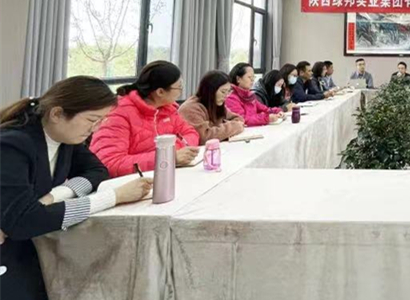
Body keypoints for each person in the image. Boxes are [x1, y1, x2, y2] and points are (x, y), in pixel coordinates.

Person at [0, 76, 154, 300]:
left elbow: (97, 171)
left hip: (23, 241)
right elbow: (23, 222)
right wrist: (113, 197)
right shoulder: (13, 144)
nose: (96, 128)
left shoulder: (64, 138)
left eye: (101, 120)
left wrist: (54, 196)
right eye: (92, 119)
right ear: (57, 114)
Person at [90, 61, 200, 178]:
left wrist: (171, 153)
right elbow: (110, 163)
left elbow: (191, 134)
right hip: (129, 183)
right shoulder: (119, 113)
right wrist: (167, 157)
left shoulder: (167, 109)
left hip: (160, 175)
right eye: (179, 87)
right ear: (160, 92)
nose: (181, 91)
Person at [179, 71, 245, 145]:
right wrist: (233, 127)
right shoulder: (191, 109)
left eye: (228, 92)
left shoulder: (215, 104)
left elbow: (238, 118)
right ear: (210, 91)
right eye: (223, 92)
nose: (226, 96)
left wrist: (222, 129)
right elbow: (203, 137)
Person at [226, 62, 282, 126]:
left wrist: (277, 111)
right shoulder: (231, 98)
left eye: (253, 77)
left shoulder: (249, 96)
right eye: (249, 77)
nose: (252, 80)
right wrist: (266, 118)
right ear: (238, 79)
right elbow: (242, 119)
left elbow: (265, 109)